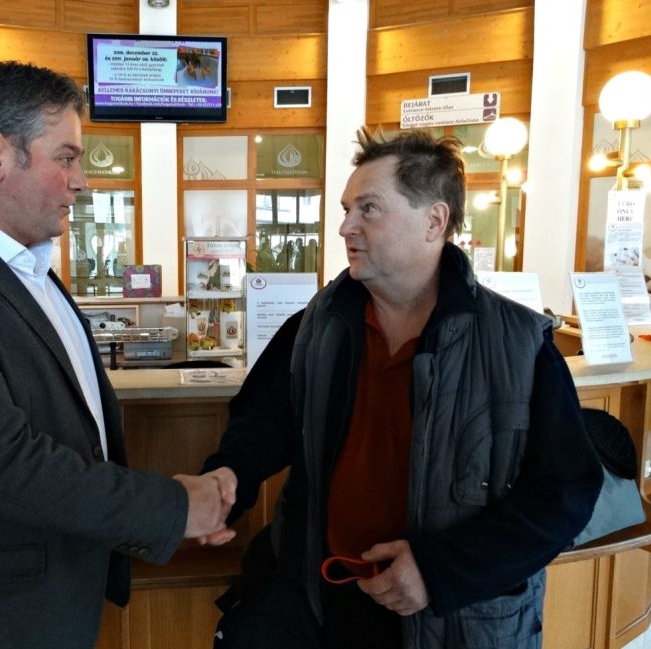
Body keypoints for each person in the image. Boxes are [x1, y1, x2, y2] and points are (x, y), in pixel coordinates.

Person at [0, 61, 234, 649]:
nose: (82, 181)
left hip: (46, 604)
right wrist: (174, 508)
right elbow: (3, 465)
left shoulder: (25, 268)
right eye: (66, 157)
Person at [201, 128, 603, 649]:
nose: (345, 226)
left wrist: (439, 569)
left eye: (369, 209)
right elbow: (264, 421)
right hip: (321, 598)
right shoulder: (318, 325)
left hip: (448, 617)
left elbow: (565, 494)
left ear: (434, 221)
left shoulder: (518, 344)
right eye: (347, 209)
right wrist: (228, 477)